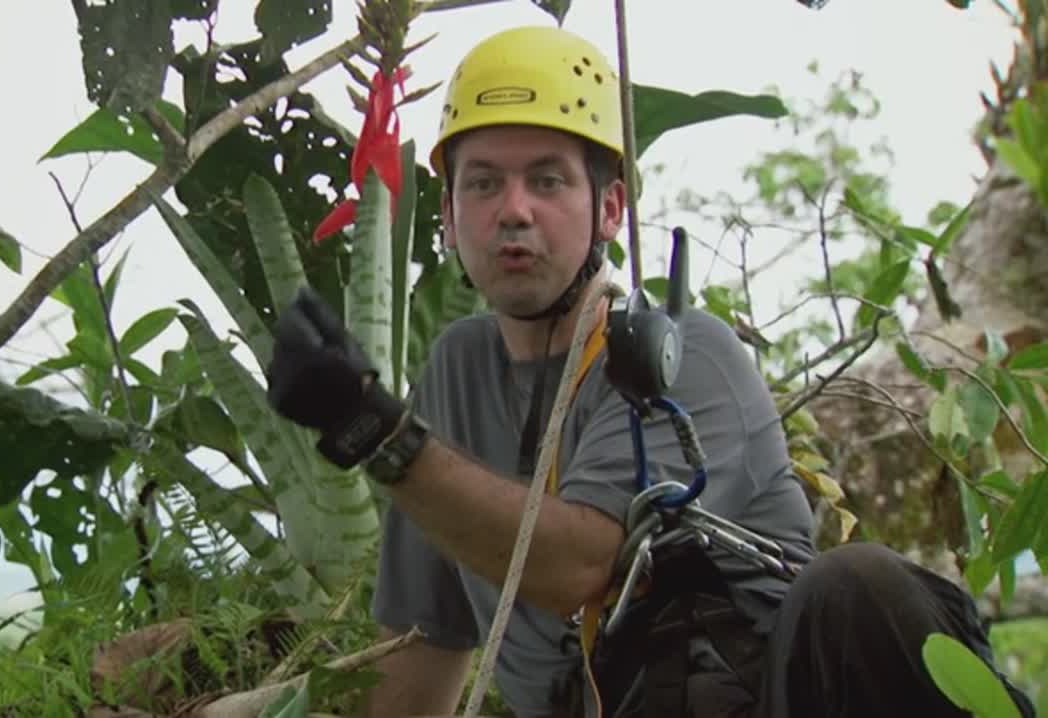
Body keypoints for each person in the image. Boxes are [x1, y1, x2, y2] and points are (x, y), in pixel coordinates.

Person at [265, 25, 1036, 718]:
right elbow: (422, 654)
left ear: (610, 209)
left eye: (548, 180)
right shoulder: (456, 373)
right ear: (448, 212)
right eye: (483, 182)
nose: (514, 210)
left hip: (762, 697)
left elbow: (578, 565)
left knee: (862, 586)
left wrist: (374, 430)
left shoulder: (684, 353)